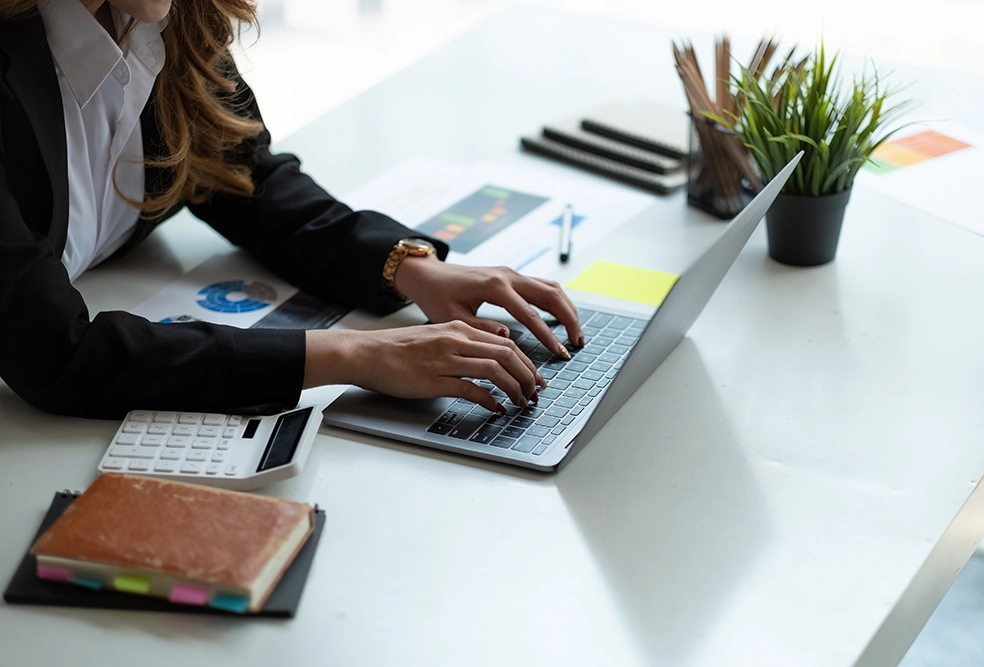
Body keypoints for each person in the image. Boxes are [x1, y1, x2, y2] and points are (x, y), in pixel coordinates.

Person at [0, 0, 584, 420]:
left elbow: (240, 173)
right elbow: (59, 355)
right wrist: (353, 353)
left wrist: (408, 267)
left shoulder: (160, 17)